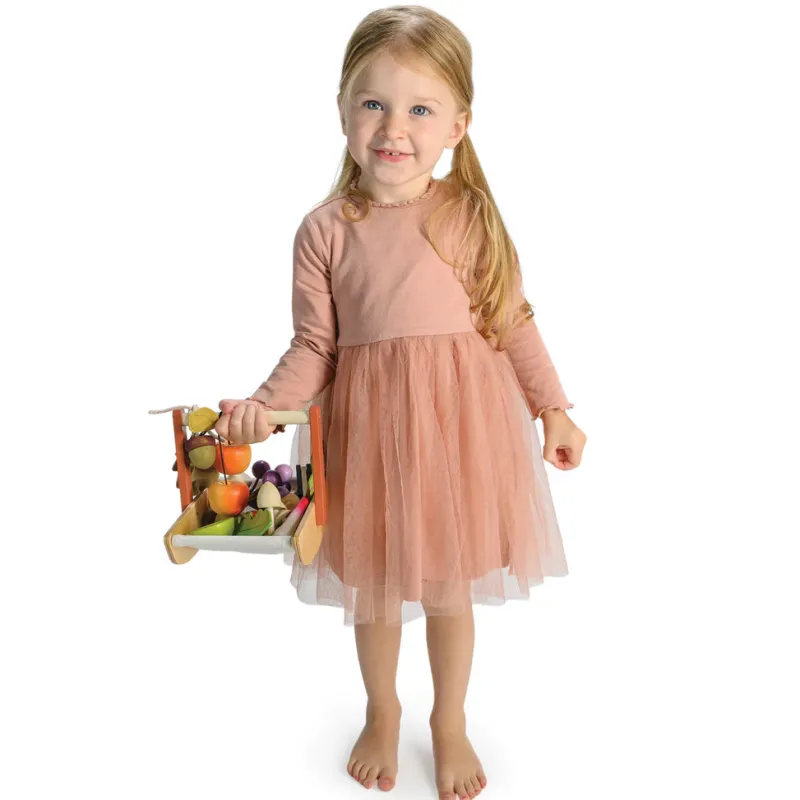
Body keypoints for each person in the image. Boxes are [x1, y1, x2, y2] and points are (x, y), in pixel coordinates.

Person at [215, 6, 587, 799]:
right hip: (368, 436)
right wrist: (262, 406)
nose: (393, 128)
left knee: (451, 588)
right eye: (374, 104)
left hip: (458, 435)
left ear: (458, 125)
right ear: (343, 110)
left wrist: (552, 406)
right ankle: (381, 708)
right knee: (376, 589)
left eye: (420, 109)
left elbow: (511, 319)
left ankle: (448, 720)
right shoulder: (325, 230)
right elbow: (315, 346)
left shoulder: (468, 216)